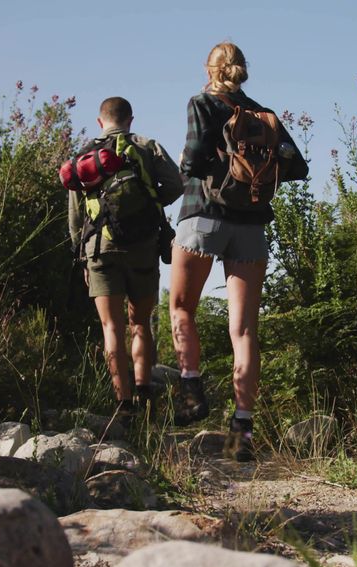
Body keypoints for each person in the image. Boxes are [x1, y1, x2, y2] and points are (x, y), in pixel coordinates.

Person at [169, 42, 309, 461]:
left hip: (202, 215)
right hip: (250, 225)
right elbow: (298, 167)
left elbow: (192, 162)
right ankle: (241, 434)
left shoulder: (202, 104)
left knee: (181, 307)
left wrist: (199, 163)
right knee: (245, 330)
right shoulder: (263, 114)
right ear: (242, 69)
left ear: (209, 69)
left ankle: (191, 393)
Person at [68, 96, 183, 428]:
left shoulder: (84, 155)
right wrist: (151, 202)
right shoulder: (146, 146)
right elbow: (176, 184)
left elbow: (75, 216)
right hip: (143, 246)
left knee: (111, 328)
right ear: (130, 120)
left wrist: (82, 256)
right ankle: (145, 393)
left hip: (100, 250)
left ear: (100, 121)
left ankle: (124, 404)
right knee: (140, 324)